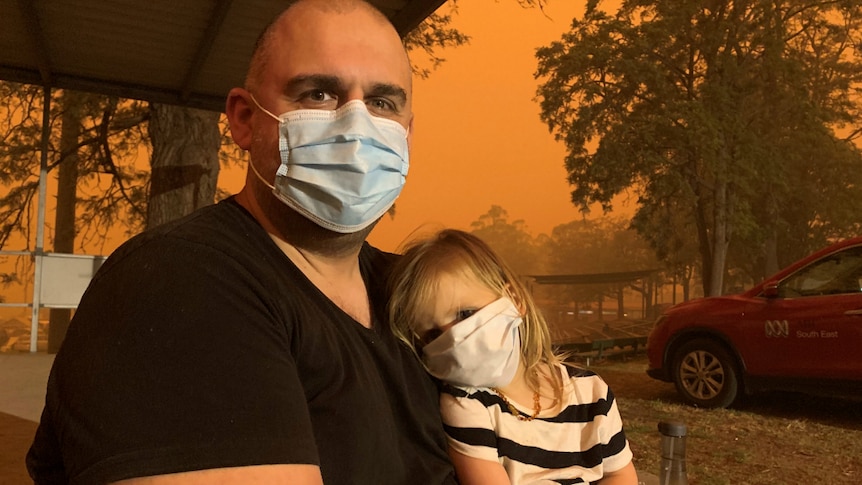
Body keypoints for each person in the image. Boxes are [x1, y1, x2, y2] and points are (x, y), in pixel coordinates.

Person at [26, 1, 456, 483]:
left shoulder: (413, 294)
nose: (356, 128)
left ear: (408, 134)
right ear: (245, 120)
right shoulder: (179, 284)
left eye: (382, 103)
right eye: (318, 94)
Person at [388, 229, 639, 485]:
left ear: (514, 300)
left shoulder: (592, 391)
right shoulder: (466, 403)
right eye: (433, 335)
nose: (454, 338)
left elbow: (620, 473)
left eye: (465, 314)